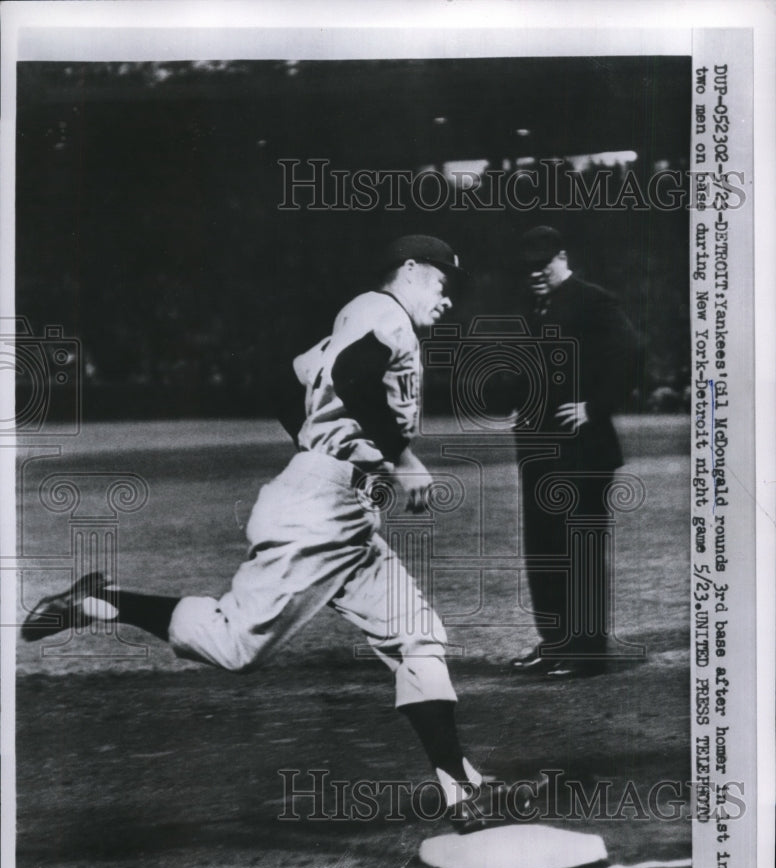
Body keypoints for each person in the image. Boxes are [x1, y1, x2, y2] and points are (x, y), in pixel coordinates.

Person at [23, 234, 526, 832]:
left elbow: (290, 379)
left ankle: (458, 787)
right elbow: (352, 375)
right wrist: (399, 458)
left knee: (418, 636)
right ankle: (101, 603)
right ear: (410, 270)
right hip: (320, 512)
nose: (449, 301)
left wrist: (322, 450)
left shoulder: (362, 317)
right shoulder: (386, 315)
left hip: (338, 508)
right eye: (444, 285)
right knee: (236, 646)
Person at [509, 226, 638, 680]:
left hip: (583, 452)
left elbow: (631, 354)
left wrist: (594, 406)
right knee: (544, 550)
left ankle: (587, 653)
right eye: (527, 265)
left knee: (577, 551)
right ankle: (555, 644)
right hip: (540, 449)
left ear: (562, 255)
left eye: (542, 262)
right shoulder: (536, 305)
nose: (535, 271)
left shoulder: (593, 299)